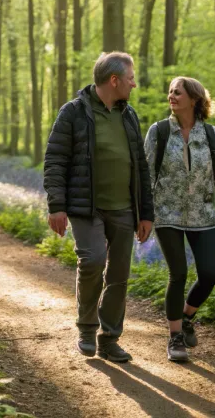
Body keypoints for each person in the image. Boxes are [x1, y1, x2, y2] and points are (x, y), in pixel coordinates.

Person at [43, 52, 154, 363]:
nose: (135, 83)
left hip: (124, 209)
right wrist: (56, 205)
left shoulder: (129, 115)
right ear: (114, 80)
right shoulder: (73, 113)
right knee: (92, 260)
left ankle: (110, 338)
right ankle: (87, 328)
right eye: (131, 78)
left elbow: (141, 167)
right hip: (85, 208)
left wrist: (146, 213)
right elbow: (55, 160)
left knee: (119, 274)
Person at [144, 76, 215, 363]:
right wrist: (145, 215)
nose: (171, 96)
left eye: (178, 92)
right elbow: (147, 175)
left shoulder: (212, 136)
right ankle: (175, 338)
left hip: (203, 214)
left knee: (209, 275)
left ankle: (187, 317)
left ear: (195, 99)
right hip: (167, 214)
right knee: (178, 273)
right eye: (170, 91)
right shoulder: (159, 132)